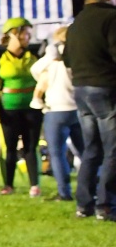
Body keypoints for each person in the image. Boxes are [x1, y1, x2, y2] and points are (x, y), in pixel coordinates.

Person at [63, 0, 116, 220]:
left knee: (92, 149)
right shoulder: (111, 18)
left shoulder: (76, 24)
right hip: (106, 88)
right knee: (113, 148)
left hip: (81, 90)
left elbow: (67, 60)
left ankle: (84, 204)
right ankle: (105, 205)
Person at [0, 17, 43, 197]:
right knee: (10, 148)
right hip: (8, 109)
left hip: (32, 108)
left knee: (30, 147)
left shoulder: (34, 56)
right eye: (25, 33)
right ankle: (8, 185)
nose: (28, 37)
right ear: (13, 34)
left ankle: (34, 185)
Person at [33, 27, 83, 203]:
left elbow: (35, 71)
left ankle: (64, 192)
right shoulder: (78, 57)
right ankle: (92, 189)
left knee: (57, 154)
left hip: (55, 110)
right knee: (86, 152)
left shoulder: (50, 61)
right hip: (77, 108)